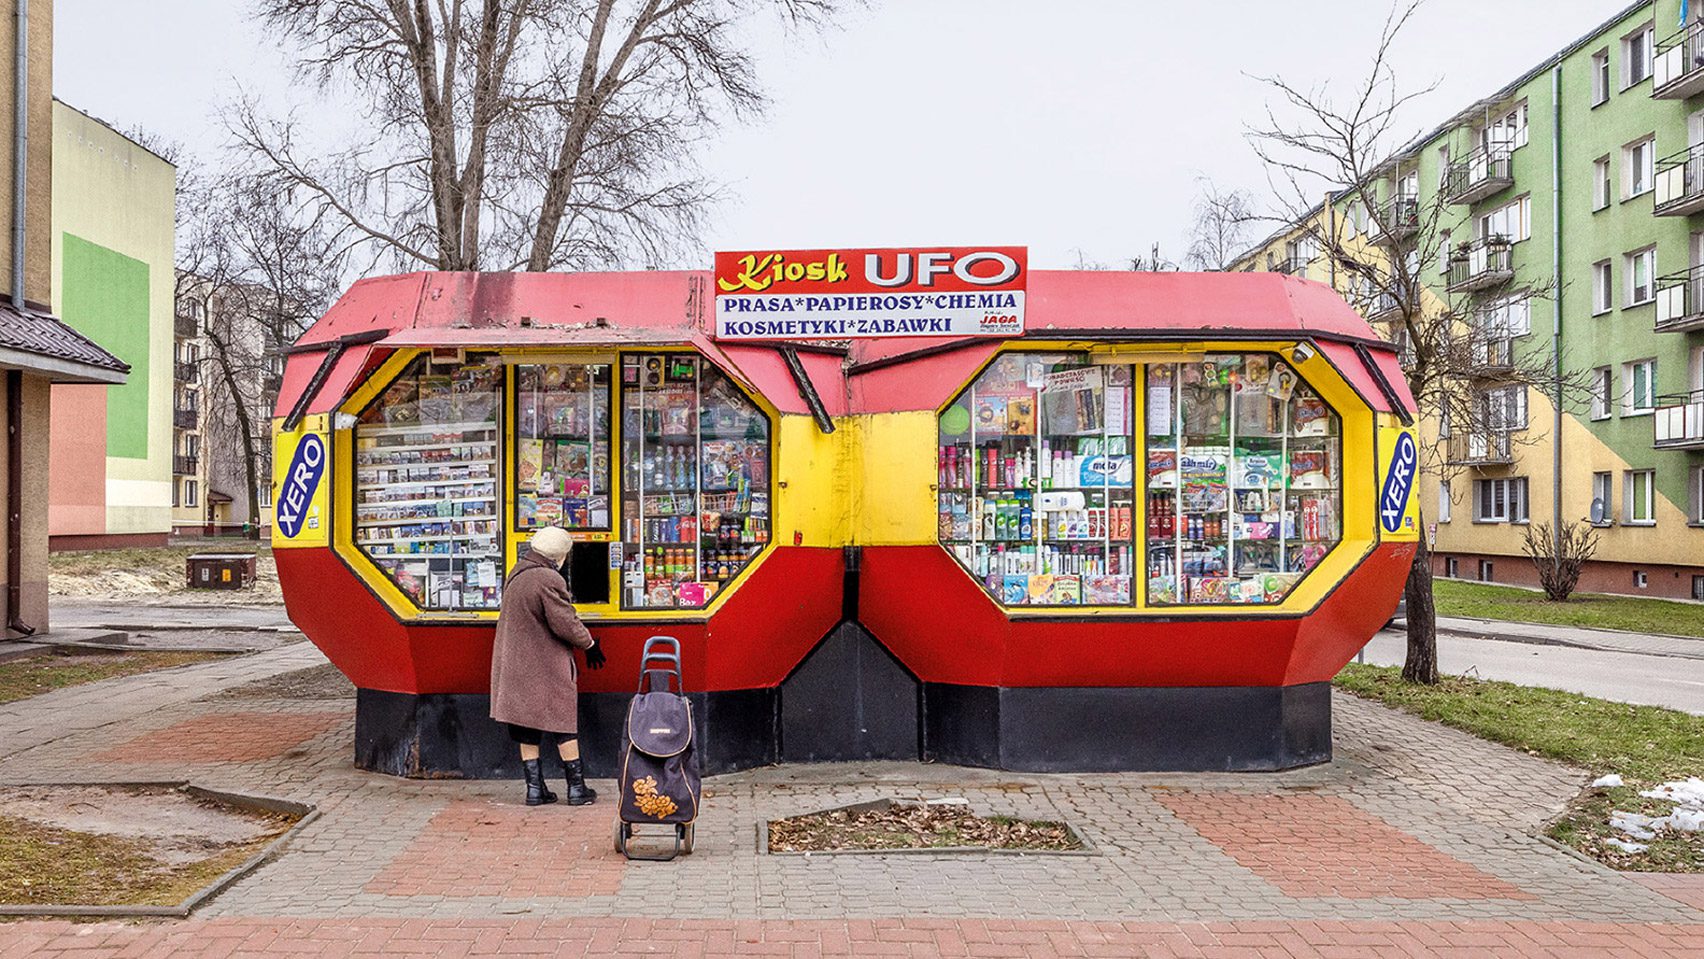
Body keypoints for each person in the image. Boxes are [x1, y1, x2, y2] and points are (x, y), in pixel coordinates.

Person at [490, 526, 606, 806]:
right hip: (543, 664)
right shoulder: (547, 578)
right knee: (562, 721)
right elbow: (565, 622)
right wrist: (590, 644)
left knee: (525, 725)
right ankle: (577, 788)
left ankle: (534, 789)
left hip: (516, 664)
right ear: (559, 556)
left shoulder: (518, 572)